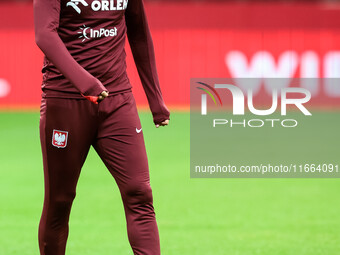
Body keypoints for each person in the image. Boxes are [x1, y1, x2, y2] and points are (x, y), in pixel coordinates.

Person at [33, 0, 170, 254]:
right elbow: (44, 34)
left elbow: (139, 32)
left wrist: (155, 99)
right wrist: (84, 82)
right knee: (60, 201)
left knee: (139, 193)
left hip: (118, 101)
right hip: (65, 101)